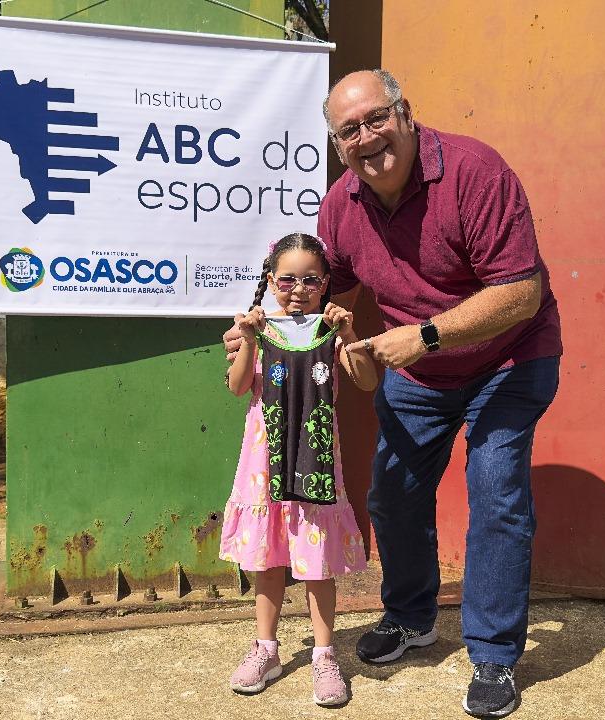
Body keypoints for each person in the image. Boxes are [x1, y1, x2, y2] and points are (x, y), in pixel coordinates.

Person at [224, 70, 562, 719]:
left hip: (510, 357)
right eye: (348, 129)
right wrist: (269, 329)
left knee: (495, 489)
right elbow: (328, 290)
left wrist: (427, 336)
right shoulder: (341, 205)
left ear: (405, 114)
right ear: (338, 142)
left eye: (376, 118)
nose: (366, 136)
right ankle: (412, 618)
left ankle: (493, 655)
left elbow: (521, 292)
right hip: (420, 368)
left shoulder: (474, 172)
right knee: (394, 493)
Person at [219, 232, 378, 707]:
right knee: (266, 560)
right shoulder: (257, 328)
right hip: (262, 464)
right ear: (271, 281)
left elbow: (366, 381)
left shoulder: (331, 334)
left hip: (316, 460)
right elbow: (237, 386)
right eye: (287, 279)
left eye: (311, 280)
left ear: (326, 284)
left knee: (316, 565)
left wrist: (350, 334)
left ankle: (324, 655)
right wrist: (247, 339)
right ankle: (265, 648)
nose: (298, 288)